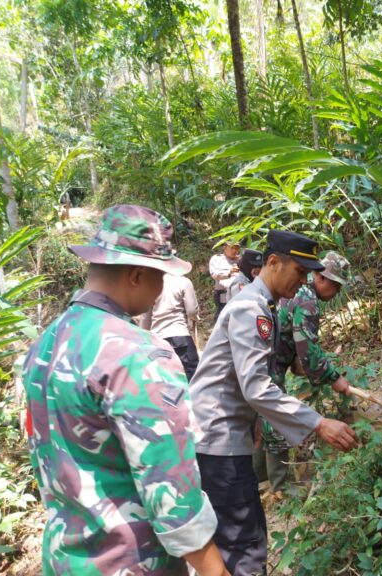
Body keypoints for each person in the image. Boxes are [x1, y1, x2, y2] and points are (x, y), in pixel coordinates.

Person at [22, 204, 229, 576]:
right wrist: (217, 571)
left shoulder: (45, 344)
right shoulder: (137, 354)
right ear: (136, 275)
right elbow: (172, 496)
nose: (160, 289)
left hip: (64, 561)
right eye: (160, 277)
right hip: (134, 563)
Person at [190, 230, 359, 576]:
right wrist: (319, 423)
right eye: (299, 271)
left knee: (234, 542)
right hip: (217, 442)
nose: (303, 280)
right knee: (244, 550)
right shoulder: (251, 309)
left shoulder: (261, 304)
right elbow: (257, 387)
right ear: (273, 262)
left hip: (221, 436)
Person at [257, 251, 352, 494]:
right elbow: (309, 351)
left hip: (269, 360)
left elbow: (294, 341)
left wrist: (299, 363)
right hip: (270, 364)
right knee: (274, 417)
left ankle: (259, 478)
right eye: (336, 286)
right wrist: (333, 378)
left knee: (259, 416)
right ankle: (279, 486)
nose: (337, 293)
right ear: (320, 278)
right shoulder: (307, 300)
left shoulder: (297, 294)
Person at [140, 268, 201, 381]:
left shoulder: (152, 284)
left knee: (163, 377)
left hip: (157, 337)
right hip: (180, 335)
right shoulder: (184, 282)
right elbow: (192, 311)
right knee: (191, 375)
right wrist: (194, 318)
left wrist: (143, 337)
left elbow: (145, 316)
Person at [208, 240, 240, 320]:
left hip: (240, 296)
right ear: (224, 247)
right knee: (223, 320)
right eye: (232, 248)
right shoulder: (217, 259)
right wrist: (229, 272)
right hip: (223, 297)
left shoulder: (241, 260)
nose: (234, 250)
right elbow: (215, 274)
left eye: (236, 248)